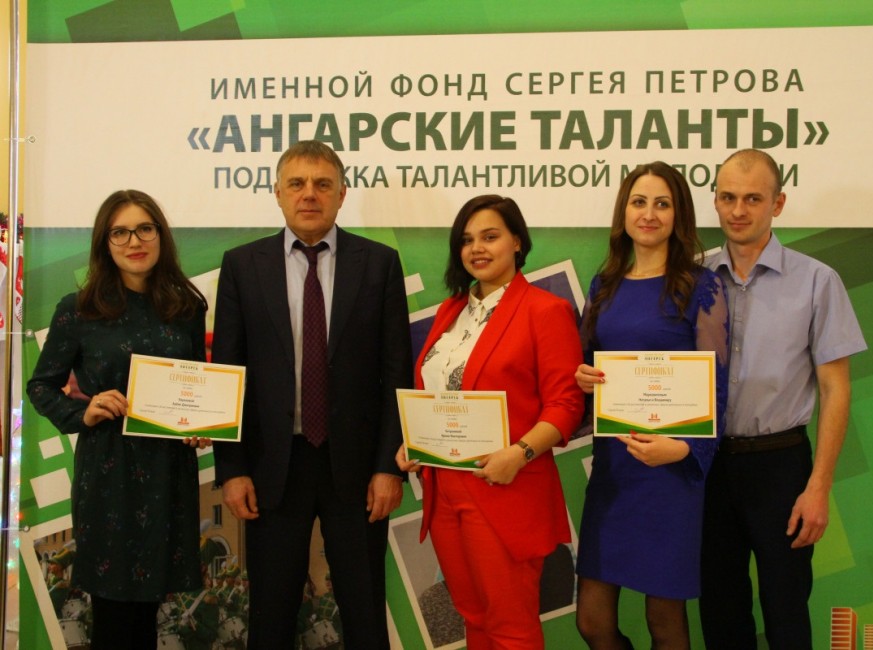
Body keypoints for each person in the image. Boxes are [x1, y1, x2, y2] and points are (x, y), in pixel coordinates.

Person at [212, 140, 413, 650]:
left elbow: (396, 373)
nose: (309, 194)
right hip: (272, 468)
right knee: (270, 616)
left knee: (365, 615)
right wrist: (232, 469)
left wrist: (388, 466)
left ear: (342, 194)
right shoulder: (242, 265)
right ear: (277, 192)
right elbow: (228, 372)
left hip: (358, 469)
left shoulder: (380, 263)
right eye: (297, 184)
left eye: (323, 184)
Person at [396, 194, 584, 649]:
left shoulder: (545, 310)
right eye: (467, 240)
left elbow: (566, 405)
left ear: (517, 242)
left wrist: (519, 453)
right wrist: (415, 441)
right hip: (444, 488)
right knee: (474, 617)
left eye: (490, 236)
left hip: (506, 486)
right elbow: (438, 392)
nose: (477, 248)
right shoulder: (450, 311)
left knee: (510, 625)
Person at [26, 189, 210, 650]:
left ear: (160, 235)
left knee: (149, 609)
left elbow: (197, 386)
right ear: (104, 243)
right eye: (120, 232)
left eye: (145, 229)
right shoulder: (78, 309)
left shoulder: (187, 307)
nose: (134, 241)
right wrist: (82, 411)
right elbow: (41, 386)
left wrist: (201, 426)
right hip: (109, 473)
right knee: (113, 611)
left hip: (168, 471)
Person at [699, 149, 867, 650]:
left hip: (781, 467)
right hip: (705, 466)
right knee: (720, 612)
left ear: (778, 203)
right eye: (728, 197)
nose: (738, 210)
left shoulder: (817, 280)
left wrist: (819, 487)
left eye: (753, 199)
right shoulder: (691, 278)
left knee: (787, 611)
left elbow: (836, 389)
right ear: (715, 200)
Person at [574, 162, 729, 649]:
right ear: (623, 213)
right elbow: (584, 369)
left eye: (662, 204)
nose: (649, 214)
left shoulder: (702, 285)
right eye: (639, 202)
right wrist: (582, 378)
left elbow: (718, 387)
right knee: (592, 622)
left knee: (665, 620)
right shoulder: (603, 286)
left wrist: (684, 450)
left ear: (678, 215)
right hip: (614, 471)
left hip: (670, 472)